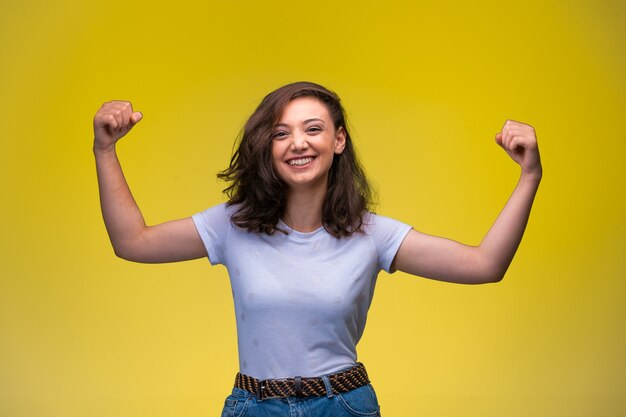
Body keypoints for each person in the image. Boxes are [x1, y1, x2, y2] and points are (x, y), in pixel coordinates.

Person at [93, 81, 542, 416]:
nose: (299, 143)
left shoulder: (374, 235)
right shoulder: (231, 225)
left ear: (338, 140)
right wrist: (105, 150)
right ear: (267, 146)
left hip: (341, 405)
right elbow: (132, 242)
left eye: (313, 129)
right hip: (255, 406)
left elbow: (485, 264)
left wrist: (529, 178)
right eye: (281, 133)